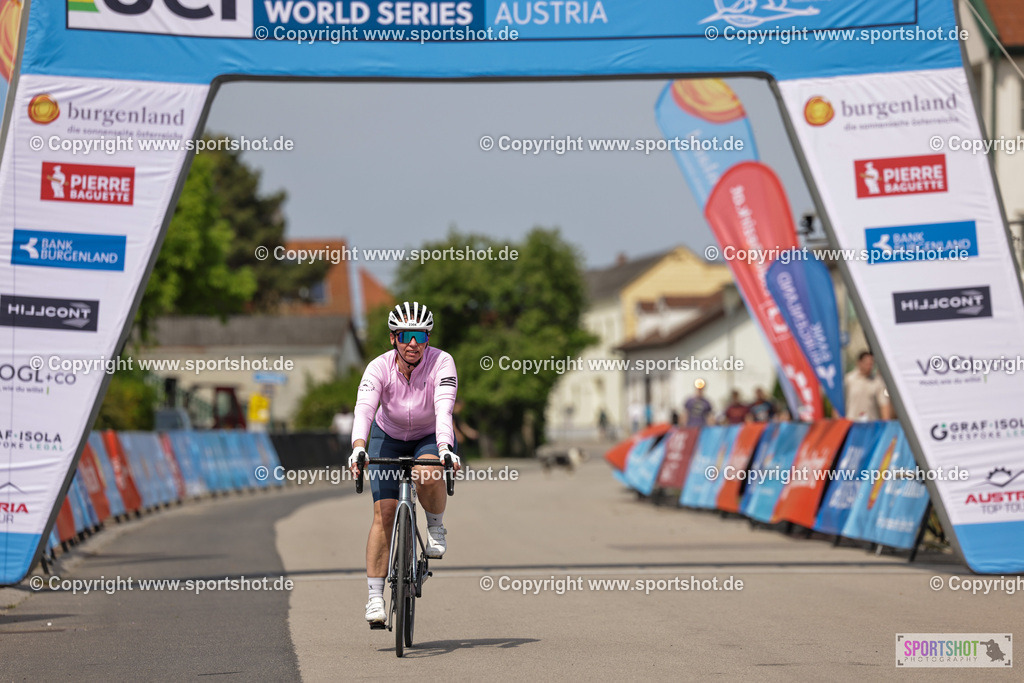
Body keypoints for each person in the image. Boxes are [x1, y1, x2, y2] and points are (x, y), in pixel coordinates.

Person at [346, 302, 461, 626]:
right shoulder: (378, 367)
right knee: (384, 514)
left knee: (427, 472)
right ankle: (374, 598)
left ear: (428, 339)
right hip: (389, 434)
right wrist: (358, 448)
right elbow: (365, 409)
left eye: (421, 336)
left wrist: (444, 448)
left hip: (428, 434)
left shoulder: (442, 362)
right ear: (394, 337)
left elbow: (443, 409)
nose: (413, 343)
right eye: (406, 335)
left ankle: (435, 525)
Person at [845, 350, 893, 421]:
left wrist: (886, 424)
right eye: (867, 364)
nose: (869, 366)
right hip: (851, 423)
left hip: (871, 425)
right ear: (859, 363)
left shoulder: (877, 381)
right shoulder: (848, 379)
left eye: (871, 364)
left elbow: (884, 404)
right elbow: (839, 403)